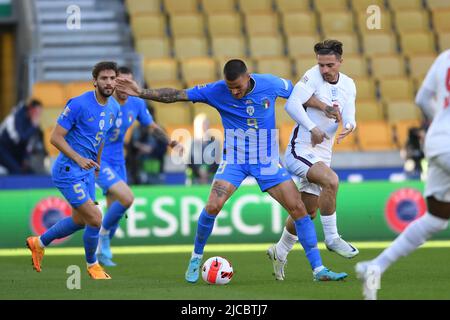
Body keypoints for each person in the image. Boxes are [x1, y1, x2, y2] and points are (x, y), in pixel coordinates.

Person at [116, 59, 348, 283]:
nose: (234, 92)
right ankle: (196, 258)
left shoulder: (271, 84)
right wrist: (141, 92)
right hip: (235, 159)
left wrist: (325, 107)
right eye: (230, 88)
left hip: (266, 160)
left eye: (238, 87)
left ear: (248, 77)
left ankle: (319, 269)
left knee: (299, 209)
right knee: (212, 206)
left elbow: (300, 95)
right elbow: (177, 95)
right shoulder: (216, 90)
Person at [356, 49, 450, 300]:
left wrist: (440, 121)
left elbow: (421, 99)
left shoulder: (444, 58)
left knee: (437, 219)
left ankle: (375, 266)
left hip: (437, 142)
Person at [266, 39, 359, 281]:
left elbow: (348, 114)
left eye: (330, 65)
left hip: (323, 153)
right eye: (321, 65)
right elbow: (292, 105)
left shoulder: (349, 84)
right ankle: (332, 238)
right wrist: (312, 127)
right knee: (332, 181)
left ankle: (280, 250)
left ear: (340, 61)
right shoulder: (312, 77)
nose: (325, 70)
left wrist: (349, 125)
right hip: (301, 149)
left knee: (306, 212)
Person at [26, 61, 120, 279]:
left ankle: (38, 242)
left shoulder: (114, 107)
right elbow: (55, 137)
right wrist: (79, 158)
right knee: (96, 218)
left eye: (112, 78)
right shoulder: (78, 104)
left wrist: (96, 164)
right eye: (104, 78)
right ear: (94, 81)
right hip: (68, 170)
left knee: (80, 220)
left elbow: (101, 137)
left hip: (87, 171)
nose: (108, 82)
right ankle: (92, 265)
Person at [95, 66, 180, 266]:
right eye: (120, 82)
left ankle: (102, 252)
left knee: (115, 209)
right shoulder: (104, 104)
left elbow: (151, 127)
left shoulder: (136, 104)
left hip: (118, 161)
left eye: (128, 82)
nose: (124, 87)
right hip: (100, 160)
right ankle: (103, 236)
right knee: (126, 198)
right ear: (114, 83)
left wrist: (171, 142)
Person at [0, 99, 43, 174]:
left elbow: (29, 143)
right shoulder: (17, 117)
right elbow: (21, 138)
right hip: (3, 149)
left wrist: (25, 158)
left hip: (14, 151)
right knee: (16, 171)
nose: (38, 115)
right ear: (30, 110)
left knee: (30, 172)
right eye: (36, 112)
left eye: (39, 113)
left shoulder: (31, 123)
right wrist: (33, 126)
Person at [186, 113, 220, 185]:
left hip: (210, 180)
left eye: (206, 125)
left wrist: (207, 173)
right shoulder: (190, 143)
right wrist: (199, 172)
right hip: (194, 180)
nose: (204, 127)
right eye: (201, 125)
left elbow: (217, 162)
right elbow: (188, 162)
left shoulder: (215, 143)